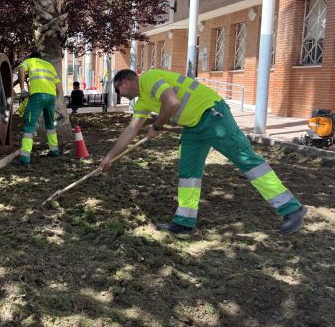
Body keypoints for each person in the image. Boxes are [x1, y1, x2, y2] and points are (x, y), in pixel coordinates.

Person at [100, 68, 307, 235]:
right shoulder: (143, 100)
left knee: (248, 161)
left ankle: (292, 208)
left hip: (212, 114)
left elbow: (172, 102)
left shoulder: (151, 78)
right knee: (188, 172)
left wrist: (157, 126)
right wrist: (110, 157)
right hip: (193, 126)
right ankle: (184, 221)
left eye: (118, 89)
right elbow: (131, 130)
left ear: (125, 82)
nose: (120, 94)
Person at [17, 50, 62, 165]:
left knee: (29, 125)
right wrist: (54, 99)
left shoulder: (30, 61)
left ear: (32, 57)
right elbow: (58, 87)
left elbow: (21, 69)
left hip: (37, 96)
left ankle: (25, 157)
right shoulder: (49, 65)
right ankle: (54, 150)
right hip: (51, 97)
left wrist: (22, 89)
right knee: (50, 125)